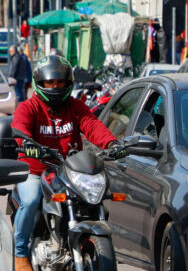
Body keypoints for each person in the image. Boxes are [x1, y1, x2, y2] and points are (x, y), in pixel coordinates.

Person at [11, 55, 127, 271]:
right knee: (31, 199)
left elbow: (91, 124)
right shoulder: (28, 107)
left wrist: (111, 143)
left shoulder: (75, 106)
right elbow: (20, 129)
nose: (55, 87)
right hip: (36, 169)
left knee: (95, 198)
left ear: (67, 83)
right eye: (50, 83)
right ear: (40, 83)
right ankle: (20, 255)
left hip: (69, 170)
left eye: (60, 82)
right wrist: (27, 144)